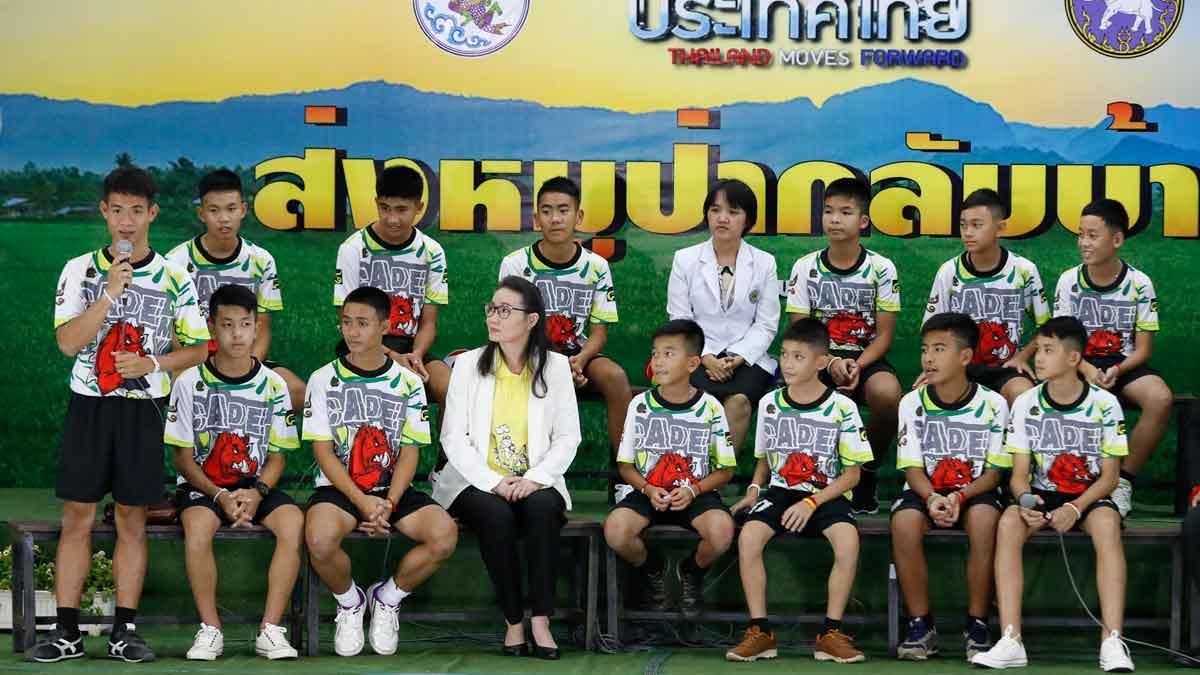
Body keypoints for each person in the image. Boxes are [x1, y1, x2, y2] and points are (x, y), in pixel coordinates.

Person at [32, 167, 210, 663]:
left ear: (152, 213)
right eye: (117, 211)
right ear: (104, 213)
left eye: (137, 211)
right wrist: (109, 291)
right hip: (89, 405)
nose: (126, 222)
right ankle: (66, 629)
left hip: (143, 409)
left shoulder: (176, 275)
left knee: (132, 517)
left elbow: (198, 348)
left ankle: (125, 629)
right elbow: (68, 343)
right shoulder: (78, 269)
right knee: (78, 516)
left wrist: (153, 362)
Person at [302, 286, 458, 657]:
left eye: (362, 323)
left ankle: (387, 598)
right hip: (340, 489)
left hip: (392, 488)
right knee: (320, 541)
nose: (352, 332)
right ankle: (350, 602)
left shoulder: (407, 382)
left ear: (385, 326)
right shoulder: (323, 379)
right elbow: (322, 452)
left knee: (444, 535)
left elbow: (409, 450)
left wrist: (387, 501)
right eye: (346, 323)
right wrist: (361, 501)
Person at [972, 317, 1134, 672]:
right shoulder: (1026, 403)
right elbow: (1018, 477)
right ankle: (1011, 638)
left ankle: (1112, 640)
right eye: (1038, 350)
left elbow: (1110, 478)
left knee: (1107, 525)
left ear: (1074, 358)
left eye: (1048, 351)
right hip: (1043, 494)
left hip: (1089, 495)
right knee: (1009, 523)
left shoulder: (1106, 404)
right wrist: (1026, 503)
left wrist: (1076, 508)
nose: (1039, 358)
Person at [432, 276, 581, 659]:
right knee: (495, 516)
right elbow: (453, 439)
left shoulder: (557, 367)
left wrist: (533, 480)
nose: (494, 318)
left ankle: (541, 620)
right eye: (492, 309)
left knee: (544, 509)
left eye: (504, 310)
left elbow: (568, 438)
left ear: (531, 321)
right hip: (473, 481)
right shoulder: (466, 365)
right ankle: (514, 620)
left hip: (535, 478)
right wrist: (494, 482)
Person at [166, 284, 303, 661]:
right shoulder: (189, 382)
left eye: (245, 324)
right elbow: (182, 459)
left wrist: (257, 492)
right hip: (205, 486)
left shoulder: (274, 385)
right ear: (211, 328)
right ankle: (211, 629)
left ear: (257, 327)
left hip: (256, 485)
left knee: (293, 523)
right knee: (197, 529)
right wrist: (220, 496)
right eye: (227, 325)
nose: (237, 334)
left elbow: (277, 457)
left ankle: (270, 630)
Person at [726, 318, 870, 664]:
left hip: (826, 494)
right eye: (785, 355)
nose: (788, 364)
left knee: (848, 541)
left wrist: (812, 501)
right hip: (779, 493)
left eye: (798, 357)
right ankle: (760, 632)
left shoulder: (842, 408)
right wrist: (753, 490)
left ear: (821, 362)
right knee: (748, 538)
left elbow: (852, 476)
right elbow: (763, 460)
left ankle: (830, 633)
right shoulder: (771, 403)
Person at [498, 177, 632, 499]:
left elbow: (599, 332)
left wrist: (581, 360)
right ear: (535, 218)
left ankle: (623, 478)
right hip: (528, 353)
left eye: (563, 210)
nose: (555, 219)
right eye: (547, 211)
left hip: (579, 354)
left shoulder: (596, 265)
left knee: (615, 377)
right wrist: (555, 363)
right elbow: (509, 328)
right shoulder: (515, 264)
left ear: (578, 217)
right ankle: (517, 471)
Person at [890, 313, 1009, 662]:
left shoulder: (993, 404)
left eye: (939, 349)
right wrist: (931, 498)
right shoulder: (911, 403)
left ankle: (977, 624)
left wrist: (959, 496)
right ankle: (920, 625)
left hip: (974, 491)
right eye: (925, 349)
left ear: (966, 357)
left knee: (986, 521)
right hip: (926, 488)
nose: (928, 358)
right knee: (903, 523)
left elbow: (993, 474)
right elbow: (911, 468)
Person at [604, 319, 736, 619]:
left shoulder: (712, 407)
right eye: (654, 354)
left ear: (692, 363)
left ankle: (691, 572)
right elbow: (625, 466)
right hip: (649, 491)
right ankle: (654, 570)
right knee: (616, 530)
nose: (658, 361)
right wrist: (648, 489)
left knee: (721, 532)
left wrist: (694, 489)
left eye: (668, 353)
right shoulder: (640, 405)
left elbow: (725, 470)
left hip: (697, 492)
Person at [786, 176, 902, 514]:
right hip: (815, 357)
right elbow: (799, 330)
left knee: (888, 394)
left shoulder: (881, 268)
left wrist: (856, 366)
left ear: (863, 221)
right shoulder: (805, 267)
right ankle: (804, 480)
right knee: (793, 395)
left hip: (864, 359)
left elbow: (884, 336)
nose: (835, 219)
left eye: (846, 212)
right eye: (828, 211)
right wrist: (829, 361)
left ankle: (866, 471)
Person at [1053, 198, 1170, 517]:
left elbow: (1144, 349)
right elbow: (1061, 341)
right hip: (1077, 364)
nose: (1083, 243)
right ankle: (1066, 483)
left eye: (1092, 235)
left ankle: (1122, 481)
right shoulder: (1068, 280)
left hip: (1125, 364)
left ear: (1116, 240)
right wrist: (1088, 369)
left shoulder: (1140, 283)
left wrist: (1116, 369)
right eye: (1081, 234)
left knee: (1160, 398)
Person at [165, 168, 306, 410]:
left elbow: (262, 328)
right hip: (193, 358)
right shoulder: (176, 261)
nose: (223, 218)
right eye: (214, 210)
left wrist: (245, 371)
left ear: (243, 210)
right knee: (187, 398)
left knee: (297, 392)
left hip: (243, 357)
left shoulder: (261, 260)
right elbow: (174, 334)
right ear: (201, 214)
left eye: (231, 209)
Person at [332, 165, 451, 436]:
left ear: (419, 208)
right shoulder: (353, 249)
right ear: (375, 203)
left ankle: (444, 470)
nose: (392, 219)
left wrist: (416, 355)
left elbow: (429, 322)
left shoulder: (432, 252)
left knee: (449, 387)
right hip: (360, 344)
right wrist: (390, 356)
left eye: (401, 210)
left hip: (411, 347)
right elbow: (348, 322)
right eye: (385, 208)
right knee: (387, 385)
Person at [667, 179, 781, 450]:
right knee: (693, 399)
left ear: (748, 220)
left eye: (733, 212)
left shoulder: (764, 262)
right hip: (696, 355)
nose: (723, 218)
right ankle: (688, 477)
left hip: (747, 359)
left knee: (739, 401)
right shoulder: (685, 259)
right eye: (716, 210)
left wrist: (737, 357)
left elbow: (766, 324)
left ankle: (716, 482)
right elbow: (680, 319)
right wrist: (706, 358)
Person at [922, 188, 1050, 405]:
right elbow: (930, 330)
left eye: (976, 225)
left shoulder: (1024, 270)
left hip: (1005, 369)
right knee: (921, 395)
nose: (967, 233)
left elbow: (1047, 328)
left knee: (1024, 395)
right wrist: (934, 368)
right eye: (963, 225)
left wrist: (1022, 356)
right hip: (958, 368)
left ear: (1000, 228)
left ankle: (1010, 440)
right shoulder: (949, 271)